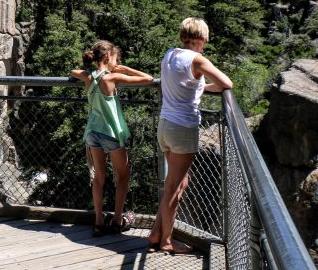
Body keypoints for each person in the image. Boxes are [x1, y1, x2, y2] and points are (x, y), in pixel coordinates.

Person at [148, 18, 233, 254]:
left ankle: (156, 232)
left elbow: (183, 83)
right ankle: (166, 241)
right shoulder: (197, 60)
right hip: (183, 128)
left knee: (177, 184)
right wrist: (206, 86)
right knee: (173, 187)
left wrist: (199, 87)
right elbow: (226, 83)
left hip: (165, 125)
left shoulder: (169, 54)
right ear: (202, 39)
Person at [72, 41, 154, 236]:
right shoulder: (113, 77)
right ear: (108, 57)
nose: (118, 63)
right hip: (110, 133)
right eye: (116, 59)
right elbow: (149, 79)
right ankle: (117, 220)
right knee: (123, 175)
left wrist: (90, 68)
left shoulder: (88, 77)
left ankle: (99, 221)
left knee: (99, 177)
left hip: (92, 133)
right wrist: (123, 69)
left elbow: (74, 71)